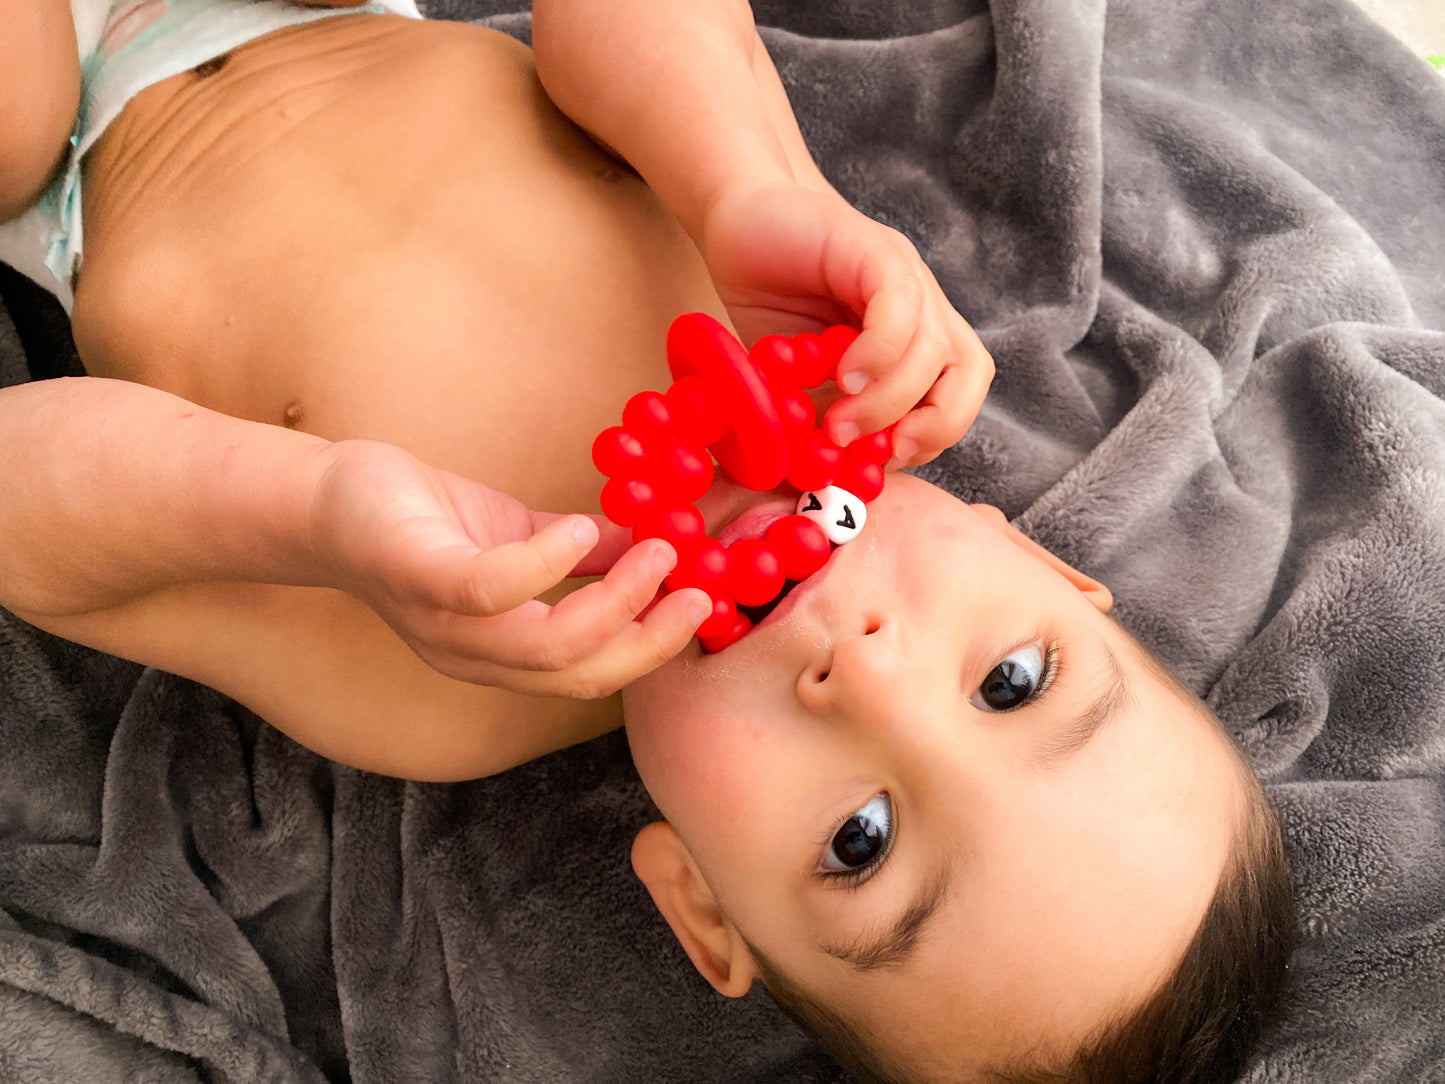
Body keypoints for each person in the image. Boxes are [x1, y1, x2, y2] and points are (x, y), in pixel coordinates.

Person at [0, 0, 1293, 1080]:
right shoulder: (807, 334)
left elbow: (29, 515)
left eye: (863, 840)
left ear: (700, 906)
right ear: (1042, 562)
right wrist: (742, 181)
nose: (872, 674)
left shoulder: (444, 684)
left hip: (64, 161)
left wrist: (312, 514)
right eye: (1011, 682)